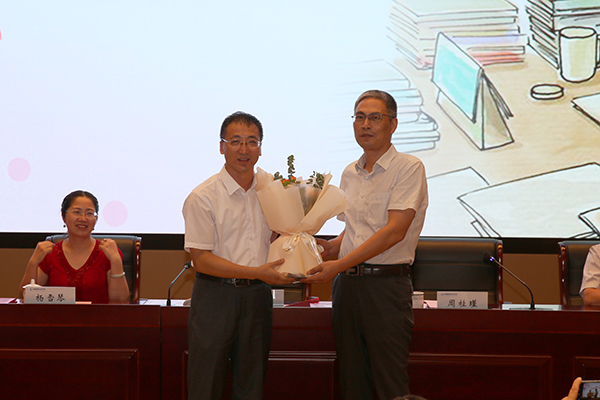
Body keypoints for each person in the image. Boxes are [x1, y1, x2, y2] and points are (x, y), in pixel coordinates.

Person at [303, 90, 428, 399]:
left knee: (389, 383)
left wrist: (338, 264)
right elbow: (355, 232)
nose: (366, 124)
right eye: (359, 117)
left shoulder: (408, 168)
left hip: (385, 287)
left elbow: (394, 232)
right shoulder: (350, 173)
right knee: (352, 382)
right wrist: (323, 248)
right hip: (348, 288)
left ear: (393, 124)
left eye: (375, 117)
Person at [183, 111, 295, 400]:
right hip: (215, 298)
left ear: (260, 148)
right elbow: (201, 260)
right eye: (235, 141)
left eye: (252, 141)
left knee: (251, 385)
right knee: (206, 384)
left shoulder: (273, 189)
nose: (244, 149)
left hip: (258, 297)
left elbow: (284, 231)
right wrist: (257, 272)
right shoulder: (203, 196)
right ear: (222, 147)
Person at [18, 190, 130, 303]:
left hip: (99, 314)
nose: (83, 219)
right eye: (77, 212)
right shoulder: (49, 253)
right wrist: (33, 262)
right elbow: (26, 297)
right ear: (63, 216)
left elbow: (120, 301)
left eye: (89, 213)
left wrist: (115, 260)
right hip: (58, 314)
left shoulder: (107, 252)